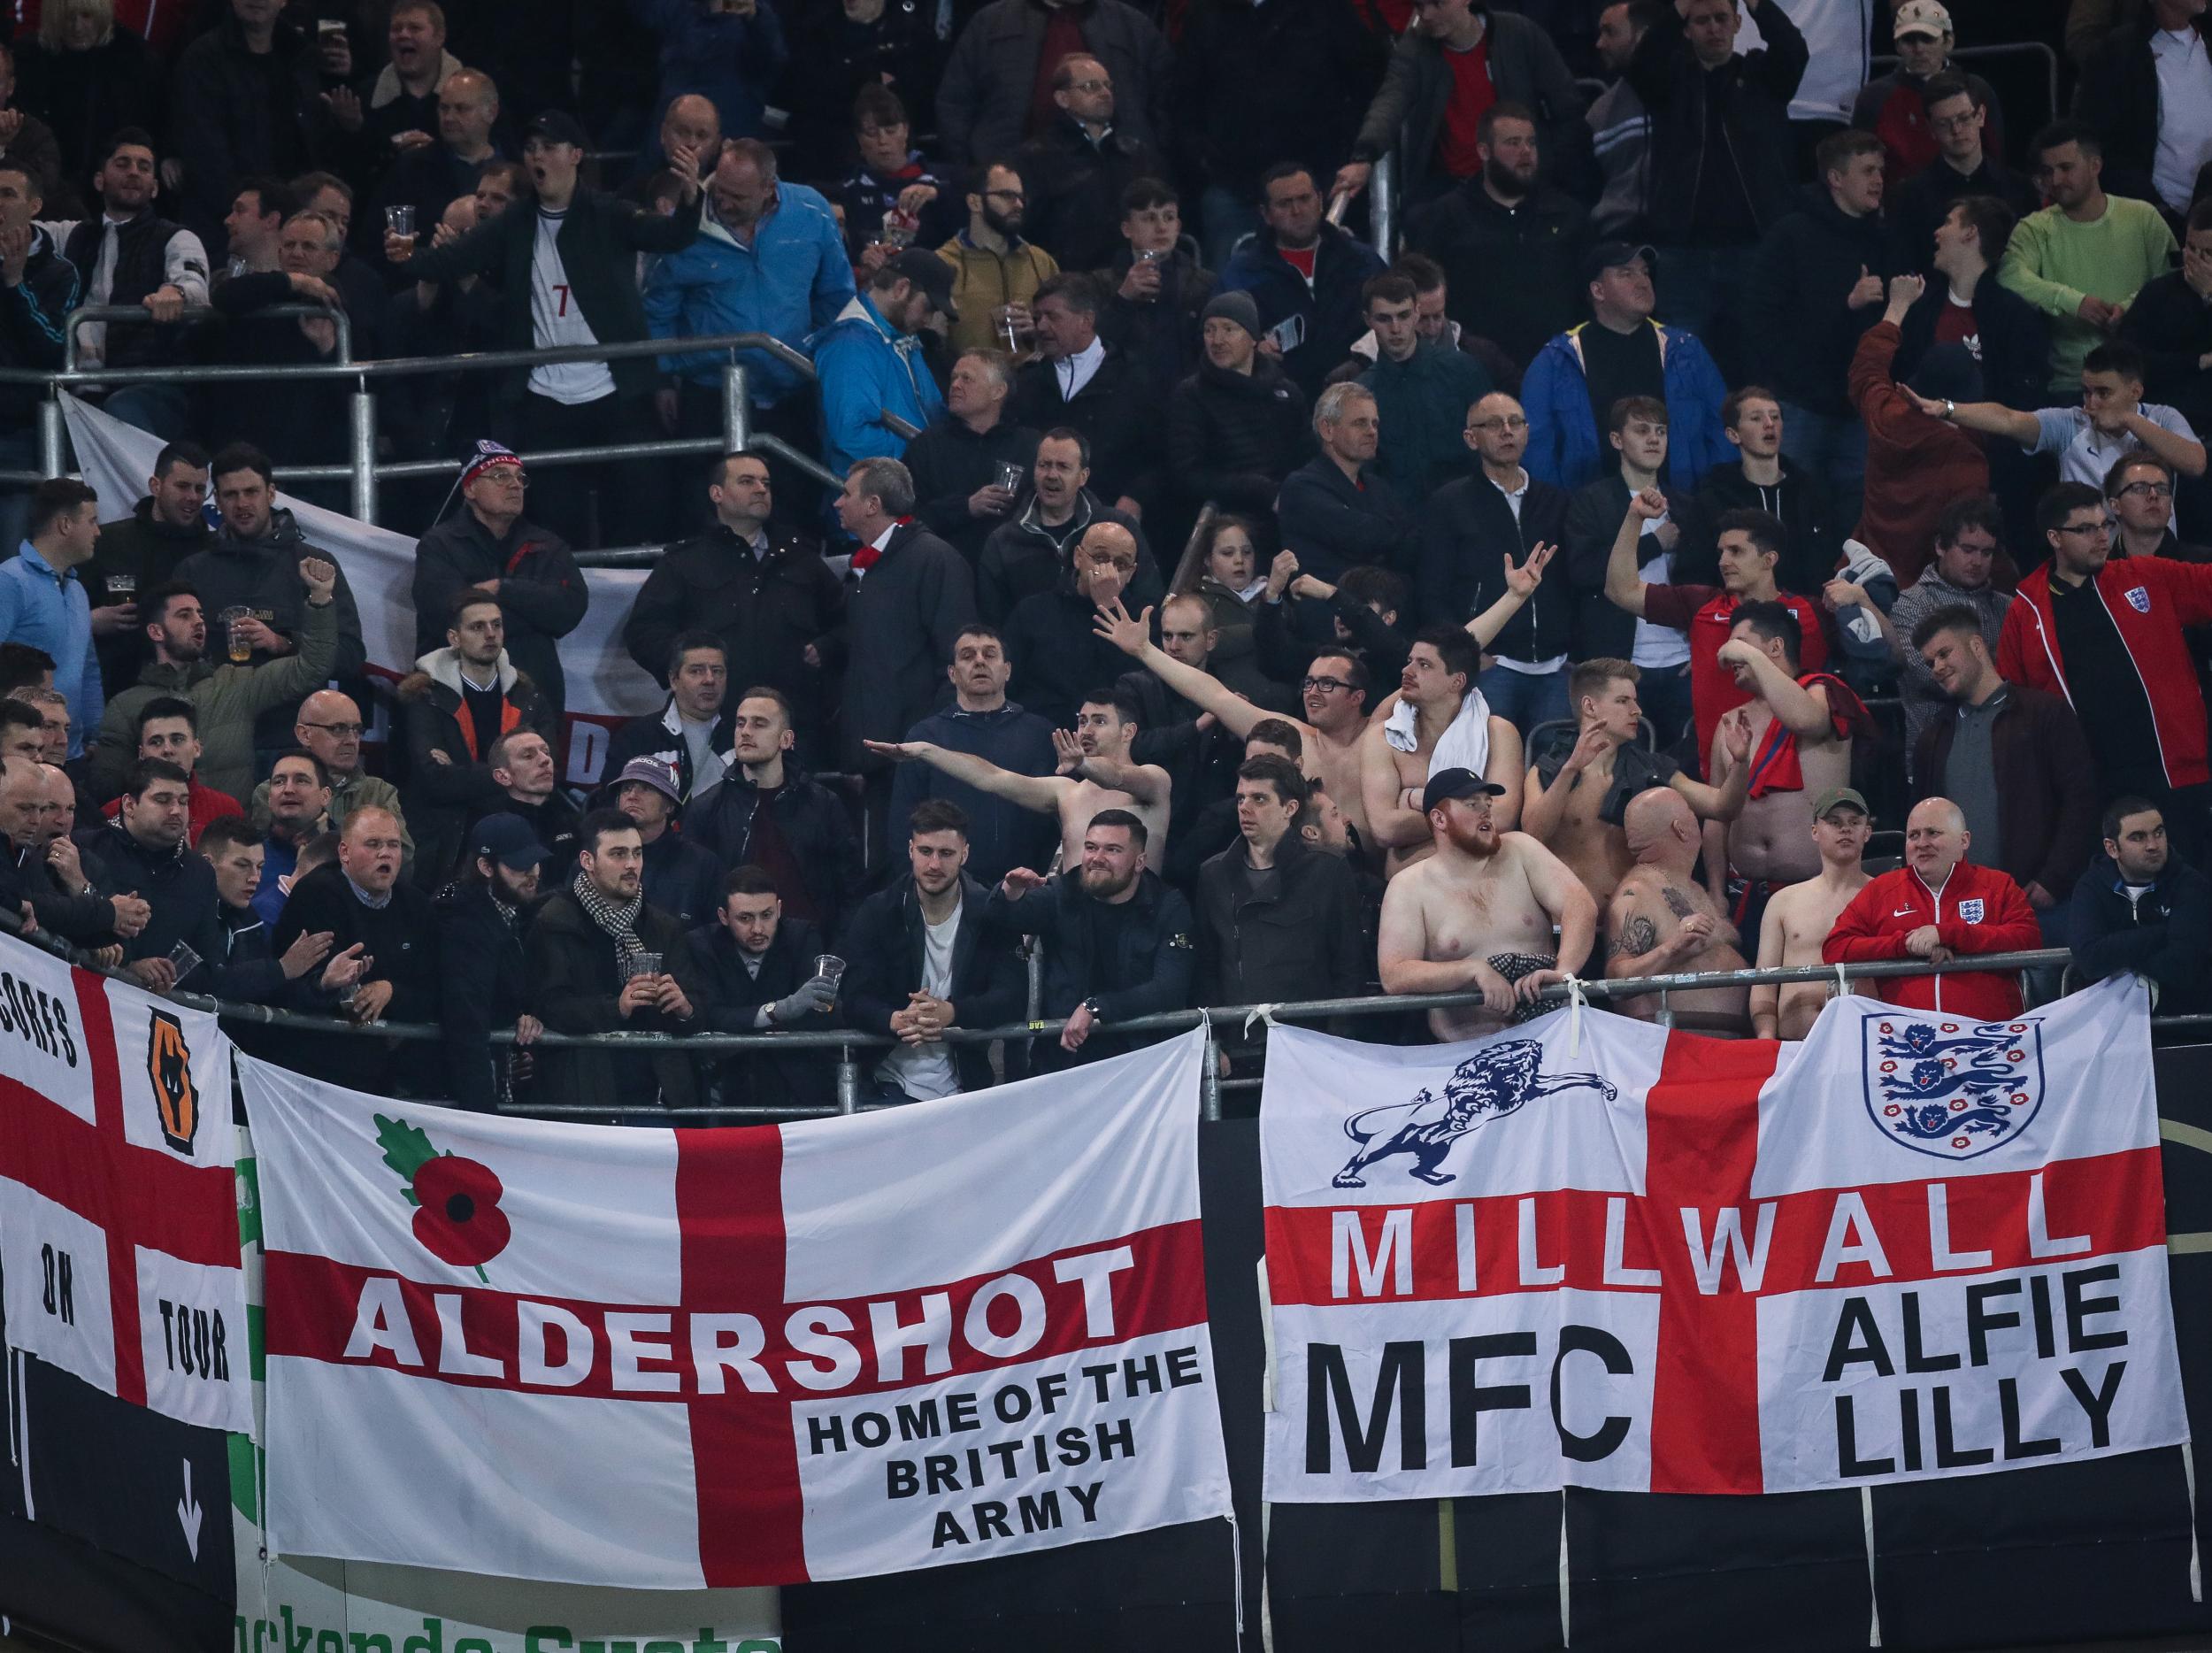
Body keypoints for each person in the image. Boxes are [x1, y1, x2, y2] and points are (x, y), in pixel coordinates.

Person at [384, 109, 707, 545]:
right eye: (531, 148)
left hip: (618, 392)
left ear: (575, 156)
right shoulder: (514, 222)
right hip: (545, 400)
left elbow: (672, 236)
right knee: (555, 527)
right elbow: (452, 260)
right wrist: (406, 256)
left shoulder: (607, 213)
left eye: (549, 147)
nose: (538, 156)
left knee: (636, 518)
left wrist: (690, 199)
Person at [1999, 482, 2212, 861]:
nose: (2101, 537)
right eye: (2085, 529)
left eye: (2105, 525)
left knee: (2194, 885)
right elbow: (2015, 701)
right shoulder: (2025, 610)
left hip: (2171, 767)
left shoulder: (2145, 575)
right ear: (2055, 537)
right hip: (2093, 783)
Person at [1621, 0, 1808, 379]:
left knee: (1760, 367)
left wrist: (1758, 4)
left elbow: (1793, 50)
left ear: (1739, 23)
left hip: (1754, 249)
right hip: (1684, 254)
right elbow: (1640, 63)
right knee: (1681, 369)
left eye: (1722, 18)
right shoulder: (1669, 82)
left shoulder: (1763, 77)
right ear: (1686, 30)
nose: (1714, 28)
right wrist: (1678, 7)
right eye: (1702, 21)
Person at [620, 453, 842, 761]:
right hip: (714, 728)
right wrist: (691, 671)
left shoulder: (801, 558)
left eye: (765, 482)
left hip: (795, 727)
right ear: (717, 494)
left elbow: (847, 620)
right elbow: (643, 632)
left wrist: (827, 646)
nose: (761, 489)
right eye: (747, 481)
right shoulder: (684, 562)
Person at [1744, 129, 1903, 539]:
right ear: (1835, 178)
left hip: (1860, 408)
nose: (1878, 180)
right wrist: (1845, 305)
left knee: (1857, 521)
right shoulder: (1790, 236)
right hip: (1800, 404)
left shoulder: (1884, 239)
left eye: (1881, 171)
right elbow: (1762, 319)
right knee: (1787, 512)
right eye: (1867, 171)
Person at [642, 136, 855, 445]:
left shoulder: (812, 211)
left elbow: (837, 295)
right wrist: (662, 380)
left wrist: (820, 357)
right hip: (708, 390)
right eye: (720, 192)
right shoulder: (687, 227)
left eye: (738, 197)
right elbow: (657, 308)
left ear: (768, 189)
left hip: (792, 388)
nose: (724, 203)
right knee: (703, 489)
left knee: (790, 488)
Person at [1914, 604, 2100, 942]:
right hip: (1962, 912)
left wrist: (2054, 879)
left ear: (1976, 645)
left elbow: (2081, 801)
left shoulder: (2046, 714)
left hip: (2044, 908)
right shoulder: (1933, 737)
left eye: (1944, 653)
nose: (1937, 668)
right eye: (1930, 662)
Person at [93, 560, 340, 807]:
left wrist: (320, 598)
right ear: (156, 632)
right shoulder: (125, 706)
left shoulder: (235, 683)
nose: (198, 621)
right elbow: (108, 787)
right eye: (184, 615)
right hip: (158, 837)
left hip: (229, 836)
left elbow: (311, 667)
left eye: (200, 614)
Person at [1377, 765, 1595, 1042]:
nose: (1486, 812)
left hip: (1550, 1038)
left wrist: (1563, 970)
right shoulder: (1408, 886)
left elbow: (1579, 904)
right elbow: (1395, 974)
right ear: (1439, 819)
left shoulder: (1521, 850)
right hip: (1465, 1050)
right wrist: (1473, 970)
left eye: (1488, 804)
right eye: (1472, 804)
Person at [1602, 493, 1826, 762]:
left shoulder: (1814, 612)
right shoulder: (1700, 604)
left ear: (1769, 560)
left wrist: (1861, 602)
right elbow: (1620, 590)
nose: (1723, 562)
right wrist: (1634, 517)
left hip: (1789, 771)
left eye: (1736, 551)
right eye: (1721, 552)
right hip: (1715, 773)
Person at [870, 680, 1171, 874]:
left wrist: (1083, 764)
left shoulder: (1153, 782)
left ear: (1128, 732)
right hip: (1075, 930)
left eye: (1099, 721)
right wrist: (926, 751)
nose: (1086, 730)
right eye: (1082, 721)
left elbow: (1116, 776)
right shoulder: (1067, 792)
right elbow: (992, 778)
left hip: (1136, 924)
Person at [829, 457, 978, 844]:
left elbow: (958, 660)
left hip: (915, 756)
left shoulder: (935, 561)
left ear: (873, 504)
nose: (837, 503)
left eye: (846, 494)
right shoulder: (869, 568)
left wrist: (929, 742)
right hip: (880, 756)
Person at [843, 799, 1028, 1104]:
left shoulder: (990, 913)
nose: (934, 865)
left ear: (964, 854)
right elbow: (854, 998)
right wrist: (895, 1019)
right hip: (889, 1083)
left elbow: (1012, 997)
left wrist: (952, 1013)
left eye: (946, 853)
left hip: (968, 1088)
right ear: (910, 850)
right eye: (926, 851)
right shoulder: (879, 911)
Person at [1523, 657, 1748, 906]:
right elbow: (1533, 836)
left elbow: (1723, 808)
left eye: (1635, 700)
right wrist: (1570, 769)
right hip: (1566, 918)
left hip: (1634, 921)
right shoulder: (1548, 771)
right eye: (1622, 701)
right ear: (1590, 706)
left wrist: (1740, 763)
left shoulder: (1651, 769)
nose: (1637, 710)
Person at [526, 808, 703, 1117]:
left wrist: (685, 1007)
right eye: (618, 854)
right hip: (584, 1099)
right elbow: (549, 1006)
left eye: (637, 853)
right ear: (587, 861)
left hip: (660, 1101)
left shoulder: (664, 926)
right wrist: (617, 1008)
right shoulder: (553, 922)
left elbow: (700, 1006)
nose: (632, 865)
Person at [986, 807, 1193, 1071]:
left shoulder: (1168, 906)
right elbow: (1001, 917)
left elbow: (1170, 988)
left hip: (1140, 1064)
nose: (1097, 858)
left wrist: (1096, 1007)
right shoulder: (1063, 892)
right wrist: (1011, 890)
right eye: (1091, 847)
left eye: (1112, 850)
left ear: (1140, 861)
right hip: (1063, 1062)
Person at [1701, 599, 1867, 926]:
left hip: (1820, 892)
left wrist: (1751, 656)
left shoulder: (1823, 693)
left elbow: (1806, 721)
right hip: (1747, 892)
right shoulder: (1730, 722)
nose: (1731, 653)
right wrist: (1716, 892)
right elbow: (1716, 816)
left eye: (1741, 644)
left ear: (1775, 646)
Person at [1333, 0, 1586, 210]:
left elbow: (1567, 107)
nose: (1427, 14)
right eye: (1420, 6)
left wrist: (1546, 170)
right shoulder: (1415, 49)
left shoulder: (1520, 34)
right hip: (1453, 188)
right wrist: (1364, 157)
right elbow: (1390, 101)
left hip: (1523, 180)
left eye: (1436, 4)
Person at [1926, 341, 2206, 528]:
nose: (2092, 402)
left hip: (2154, 557)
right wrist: (1946, 408)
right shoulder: (2070, 423)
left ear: (2135, 391)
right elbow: (2008, 419)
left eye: (2104, 393)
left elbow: (2195, 462)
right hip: (2090, 566)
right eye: (2087, 391)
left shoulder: (2163, 418)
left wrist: (2129, 420)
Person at [1520, 242, 1729, 492]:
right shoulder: (1557, 360)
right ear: (1598, 291)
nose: (1642, 282)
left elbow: (1722, 427)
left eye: (1644, 272)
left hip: (1682, 508)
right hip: (1591, 516)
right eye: (1626, 274)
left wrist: (1714, 500)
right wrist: (1558, 511)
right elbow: (1536, 446)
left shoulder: (1686, 350)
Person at [1417, 392, 1570, 729]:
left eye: (1515, 422)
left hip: (1556, 667)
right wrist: (1466, 656)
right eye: (1494, 424)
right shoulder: (1448, 503)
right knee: (1487, 771)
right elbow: (1432, 592)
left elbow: (1572, 581)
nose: (1507, 431)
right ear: (1471, 438)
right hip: (1491, 666)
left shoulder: (1555, 501)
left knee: (1552, 768)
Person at [411, 442, 588, 728]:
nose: (515, 485)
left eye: (520, 478)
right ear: (469, 489)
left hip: (532, 697)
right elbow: (443, 615)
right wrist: (535, 616)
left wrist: (503, 589)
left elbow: (570, 608)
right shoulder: (438, 544)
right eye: (500, 476)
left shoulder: (547, 544)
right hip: (455, 700)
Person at [1402, 104, 1590, 373]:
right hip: (1476, 370)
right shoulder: (1445, 217)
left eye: (1531, 143)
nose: (1525, 152)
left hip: (1557, 367)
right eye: (1513, 143)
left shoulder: (1566, 214)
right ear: (1484, 151)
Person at [1999, 121, 2178, 400]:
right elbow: (2009, 276)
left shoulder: (2143, 218)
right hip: (2072, 385)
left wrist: (2129, 310)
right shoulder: (2034, 229)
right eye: (2048, 172)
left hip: (2142, 378)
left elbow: (2171, 280)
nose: (2056, 180)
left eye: (2066, 168)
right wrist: (2074, 302)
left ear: (2095, 166)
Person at [266, 804, 441, 1089]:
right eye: (373, 844)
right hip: (311, 1065)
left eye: (393, 845)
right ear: (344, 853)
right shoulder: (315, 894)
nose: (385, 853)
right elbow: (295, 985)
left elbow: (433, 987)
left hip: (386, 1072)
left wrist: (391, 990)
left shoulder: (417, 905)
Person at [50, 128, 209, 435]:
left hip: (150, 387)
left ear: (155, 188)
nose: (134, 172)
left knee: (122, 410)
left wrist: (175, 292)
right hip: (79, 387)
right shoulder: (73, 235)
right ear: (100, 180)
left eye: (144, 167)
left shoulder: (176, 237)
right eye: (123, 164)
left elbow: (195, 285)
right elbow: (25, 233)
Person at [174, 444, 366, 696]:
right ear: (218, 502)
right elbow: (173, 654)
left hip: (296, 724)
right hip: (216, 721)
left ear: (271, 493)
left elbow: (351, 656)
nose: (242, 503)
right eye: (231, 495)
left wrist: (284, 643)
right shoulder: (193, 570)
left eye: (251, 492)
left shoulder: (314, 564)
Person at [1824, 796, 2041, 1017]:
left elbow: (2029, 939)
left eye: (1933, 833)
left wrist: (1949, 934)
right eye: (1913, 835)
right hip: (1905, 1040)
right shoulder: (1881, 890)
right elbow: (1835, 948)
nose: (1921, 843)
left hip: (1989, 1038)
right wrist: (1904, 945)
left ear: (1964, 840)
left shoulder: (1998, 885)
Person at [397, 588, 550, 885]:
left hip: (515, 837)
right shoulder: (425, 698)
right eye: (477, 627)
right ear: (454, 638)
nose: (490, 634)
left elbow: (543, 776)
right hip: (447, 845)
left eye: (496, 624)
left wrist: (463, 771)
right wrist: (512, 773)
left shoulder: (529, 697)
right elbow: (435, 781)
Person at [887, 625, 1058, 888]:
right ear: (952, 674)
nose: (979, 661)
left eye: (989, 655)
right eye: (967, 656)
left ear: (1008, 670)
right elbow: (903, 824)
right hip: (949, 890)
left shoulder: (1041, 735)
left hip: (1029, 887)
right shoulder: (925, 736)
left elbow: (1058, 821)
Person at [1196, 755, 1367, 1018]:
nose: (1244, 807)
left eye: (1259, 799)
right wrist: (1216, 1041)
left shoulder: (1327, 870)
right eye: (1241, 798)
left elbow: (1349, 967)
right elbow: (1207, 970)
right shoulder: (1213, 874)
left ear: (1290, 808)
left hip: (1308, 1041)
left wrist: (1337, 1038)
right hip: (1238, 1041)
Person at [685, 687, 862, 937]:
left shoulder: (824, 805)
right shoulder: (707, 809)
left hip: (811, 952)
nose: (745, 731)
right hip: (733, 954)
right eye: (740, 723)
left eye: (759, 724)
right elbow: (694, 896)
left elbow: (851, 890)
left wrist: (837, 953)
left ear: (786, 740)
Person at [1361, 626, 1526, 876]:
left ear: (1457, 681)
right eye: (1410, 661)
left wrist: (1414, 799)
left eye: (1424, 665)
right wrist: (1471, 811)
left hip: (1481, 880)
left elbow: (1502, 819)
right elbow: (1385, 830)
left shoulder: (1498, 733)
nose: (1407, 671)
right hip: (1410, 886)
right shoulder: (1384, 737)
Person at [1217, 164, 1386, 402]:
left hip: (1360, 399)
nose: (1297, 210)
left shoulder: (1362, 261)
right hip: (1277, 407)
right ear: (1266, 214)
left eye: (1304, 199)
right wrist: (1250, 351)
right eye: (1284, 203)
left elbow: (1395, 319)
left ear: (1319, 201)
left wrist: (1361, 361)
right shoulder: (1242, 273)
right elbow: (1218, 338)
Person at [933, 0, 1174, 167]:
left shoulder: (1133, 27)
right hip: (1010, 181)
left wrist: (1152, 165)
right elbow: (955, 103)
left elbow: (1169, 104)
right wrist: (970, 168)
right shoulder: (990, 23)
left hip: (1116, 183)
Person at [166, 1, 328, 248]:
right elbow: (206, 154)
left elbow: (310, 145)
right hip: (223, 223)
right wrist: (250, 215)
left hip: (290, 224)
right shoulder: (203, 58)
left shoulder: (301, 55)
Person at [687, 864, 840, 1114]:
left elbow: (822, 1013)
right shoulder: (701, 945)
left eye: (766, 915)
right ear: (723, 916)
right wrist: (779, 1011)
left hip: (797, 1092)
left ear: (779, 909)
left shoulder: (802, 937)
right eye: (745, 918)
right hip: (728, 1091)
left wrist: (742, 1020)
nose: (758, 929)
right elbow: (710, 1015)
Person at [1006, 273, 1158, 518]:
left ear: (1086, 321)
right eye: (1038, 318)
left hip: (1110, 521)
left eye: (1053, 317)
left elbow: (1158, 456)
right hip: (1038, 521)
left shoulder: (1134, 380)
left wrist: (1135, 498)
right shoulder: (1028, 382)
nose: (1041, 326)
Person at [1603, 785, 1751, 1032]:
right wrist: (1671, 948)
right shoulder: (1636, 892)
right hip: (1678, 1048)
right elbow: (1616, 979)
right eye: (1692, 813)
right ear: (1680, 829)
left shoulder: (1691, 886)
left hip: (1723, 1045)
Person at [1891, 194, 2049, 420]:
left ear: (1970, 233)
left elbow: (2023, 404)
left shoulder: (2016, 318)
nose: (1937, 232)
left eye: (1947, 223)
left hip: (1983, 450)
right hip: (1920, 444)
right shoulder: (1920, 307)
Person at [977, 427, 1158, 624]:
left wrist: (1112, 603)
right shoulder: (1003, 542)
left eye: (1063, 467)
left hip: (1111, 645)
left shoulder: (1120, 527)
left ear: (1083, 476)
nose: (1052, 475)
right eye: (1044, 465)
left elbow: (1151, 602)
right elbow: (991, 624)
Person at [431, 811, 547, 1112]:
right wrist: (483, 1118)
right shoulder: (462, 923)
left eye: (535, 861)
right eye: (520, 865)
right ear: (485, 867)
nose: (534, 872)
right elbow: (466, 1024)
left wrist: (523, 1015)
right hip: (452, 1095)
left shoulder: (511, 914)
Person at [1163, 289, 1310, 522]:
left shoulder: (1286, 394)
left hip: (1287, 518)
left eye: (1228, 329)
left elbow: (1305, 457)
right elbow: (1187, 476)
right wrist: (1258, 489)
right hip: (1222, 524)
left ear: (1253, 338)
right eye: (1209, 330)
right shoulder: (1191, 395)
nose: (1217, 340)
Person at [810, 248, 959, 474]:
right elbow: (853, 435)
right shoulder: (850, 345)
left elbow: (934, 412)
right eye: (928, 307)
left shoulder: (903, 338)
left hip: (901, 489)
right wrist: (925, 458)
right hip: (873, 498)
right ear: (901, 289)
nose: (928, 319)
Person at [80, 758, 223, 995]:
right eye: (162, 800)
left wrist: (167, 975)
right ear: (129, 804)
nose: (176, 810)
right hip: (88, 998)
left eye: (183, 801)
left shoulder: (201, 872)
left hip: (161, 1013)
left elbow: (206, 957)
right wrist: (128, 968)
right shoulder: (86, 848)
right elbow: (63, 928)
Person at [1014, 53, 1166, 275]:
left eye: (1107, 85)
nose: (1104, 93)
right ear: (1062, 98)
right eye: (1091, 86)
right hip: (1067, 282)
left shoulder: (1135, 153)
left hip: (1131, 275)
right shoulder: (1035, 157)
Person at [1886, 496, 2010, 764]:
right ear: (1941, 546)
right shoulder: (1913, 603)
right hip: (1935, 752)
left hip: (2001, 749)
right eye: (1968, 549)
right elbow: (1927, 675)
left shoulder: (2007, 607)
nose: (1978, 561)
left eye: (1986, 552)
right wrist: (1994, 677)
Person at [82, 442, 213, 697]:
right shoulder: (108, 542)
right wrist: (89, 621)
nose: (193, 497)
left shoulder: (215, 550)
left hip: (196, 694)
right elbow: (62, 605)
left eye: (200, 489)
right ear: (156, 485)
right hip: (115, 690)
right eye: (183, 486)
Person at [198, 813, 365, 1010]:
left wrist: (322, 984)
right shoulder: (183, 911)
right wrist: (281, 969)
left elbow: (268, 997)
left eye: (260, 867)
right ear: (207, 864)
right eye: (242, 866)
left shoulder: (250, 919)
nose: (255, 878)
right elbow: (199, 982)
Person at [1276, 383, 1415, 612]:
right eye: (1360, 423)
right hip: (1329, 620)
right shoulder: (1301, 487)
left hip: (1382, 617)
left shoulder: (1378, 487)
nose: (1371, 431)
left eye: (1375, 423)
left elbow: (1411, 540)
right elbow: (1360, 537)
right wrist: (1393, 531)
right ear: (1327, 429)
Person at [1356, 272, 1493, 503]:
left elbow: (1491, 445)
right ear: (1368, 320)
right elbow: (1361, 471)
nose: (1396, 328)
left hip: (1467, 518)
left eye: (1404, 315)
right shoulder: (1361, 394)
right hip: (1398, 525)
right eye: (1384, 319)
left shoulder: (1463, 371)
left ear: (1417, 312)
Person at [1750, 784, 1873, 1040]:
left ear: (1867, 832)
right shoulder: (1783, 902)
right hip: (1794, 1045)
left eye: (1854, 822)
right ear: (1815, 832)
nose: (1845, 829)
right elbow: (1764, 984)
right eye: (1834, 821)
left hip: (1866, 1042)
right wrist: (1765, 1041)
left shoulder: (1886, 896)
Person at [2070, 796, 2212, 1017]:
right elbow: (2089, 958)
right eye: (2138, 837)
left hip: (2183, 1022)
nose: (2153, 845)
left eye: (2159, 832)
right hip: (2109, 1017)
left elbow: (2183, 966)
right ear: (2112, 848)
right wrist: (2160, 933)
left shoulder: (2190, 883)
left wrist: (2118, 957)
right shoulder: (2091, 886)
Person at [1685, 387, 1832, 598]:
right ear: (1733, 434)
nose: (1769, 424)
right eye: (1756, 418)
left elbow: (1827, 562)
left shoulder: (1809, 492)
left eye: (1775, 416)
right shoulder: (1714, 498)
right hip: (1738, 622)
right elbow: (1693, 573)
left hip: (1806, 617)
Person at [2074, 0, 2212, 218]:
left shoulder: (2207, 43)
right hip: (2155, 221)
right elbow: (2105, 147)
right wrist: (2156, 212)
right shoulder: (2118, 54)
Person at [904, 349, 1041, 566]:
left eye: (966, 378)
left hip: (1014, 570)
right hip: (946, 569)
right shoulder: (927, 446)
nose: (955, 385)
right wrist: (966, 507)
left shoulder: (1031, 446)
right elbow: (907, 518)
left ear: (998, 391)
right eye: (954, 378)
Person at [1849, 1, 2005, 187]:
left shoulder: (1977, 89)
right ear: (1897, 46)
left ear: (1948, 41)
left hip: (1973, 199)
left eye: (1927, 38)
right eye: (1909, 40)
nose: (1918, 48)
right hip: (1901, 204)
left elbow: (1996, 154)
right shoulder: (1874, 97)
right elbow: (1860, 162)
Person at [1886, 80, 2038, 271]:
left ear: (1981, 116)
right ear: (1930, 129)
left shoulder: (2019, 188)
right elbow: (1903, 265)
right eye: (1944, 124)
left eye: (1964, 118)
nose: (1956, 130)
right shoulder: (1908, 196)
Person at [0, 158, 73, 553]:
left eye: (8, 194)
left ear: (35, 206)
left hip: (21, 432)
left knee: (11, 557)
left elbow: (52, 349)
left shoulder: (59, 272)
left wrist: (14, 284)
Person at [0, 479, 100, 756]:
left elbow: (88, 668)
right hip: (22, 753)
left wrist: (95, 733)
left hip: (73, 751)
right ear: (65, 524)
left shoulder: (78, 590)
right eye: (91, 521)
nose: (98, 531)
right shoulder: (9, 581)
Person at [250, 689, 411, 860]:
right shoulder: (272, 793)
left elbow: (403, 860)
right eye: (338, 729)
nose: (351, 740)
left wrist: (327, 841)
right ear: (305, 735)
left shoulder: (379, 793)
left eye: (356, 730)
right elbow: (262, 860)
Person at [1094, 175, 1216, 396]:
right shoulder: (1099, 283)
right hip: (1122, 403)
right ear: (1126, 229)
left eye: (1168, 218)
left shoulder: (1204, 283)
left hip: (1188, 401)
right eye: (1150, 218)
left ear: (1178, 227)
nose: (1161, 227)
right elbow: (1091, 349)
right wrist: (1123, 299)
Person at [931, 158, 1058, 360]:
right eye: (1006, 195)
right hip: (970, 386)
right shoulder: (942, 264)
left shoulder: (1041, 262)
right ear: (975, 202)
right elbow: (930, 344)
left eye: (1020, 197)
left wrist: (1037, 331)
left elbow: (1065, 335)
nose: (1018, 204)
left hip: (1034, 384)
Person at [367, 67, 504, 254]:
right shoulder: (410, 167)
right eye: (444, 108)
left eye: (461, 109)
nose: (448, 118)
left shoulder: (515, 174)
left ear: (491, 112)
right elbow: (377, 237)